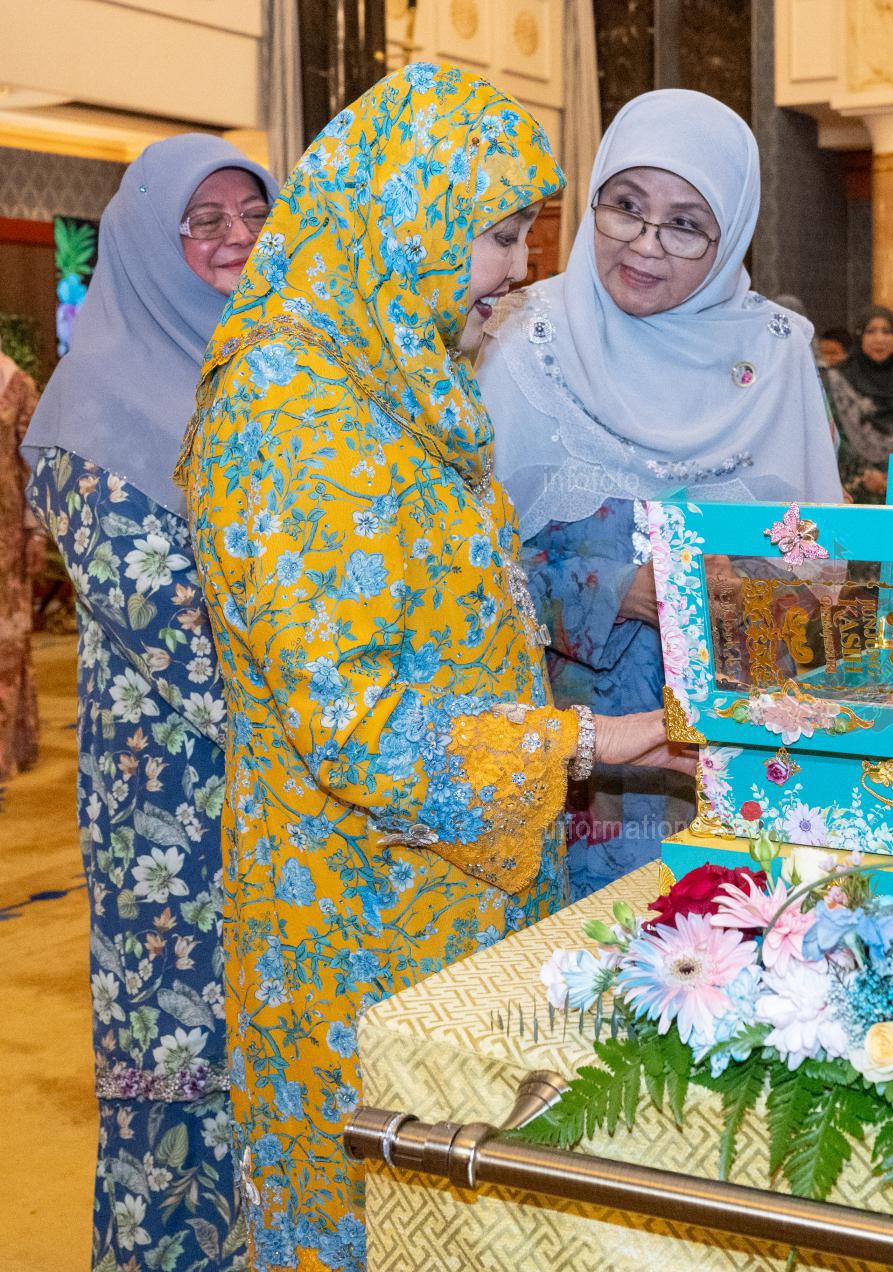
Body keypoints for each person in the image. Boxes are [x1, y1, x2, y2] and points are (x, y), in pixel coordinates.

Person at [177, 65, 690, 1271]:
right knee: (375, 1217)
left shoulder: (393, 374)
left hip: (461, 893)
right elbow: (356, 727)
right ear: (406, 214)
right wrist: (605, 740)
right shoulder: (285, 411)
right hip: (353, 915)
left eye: (525, 234)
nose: (518, 266)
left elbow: (458, 607)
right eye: (499, 233)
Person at [478, 88, 843, 891]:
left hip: (731, 757)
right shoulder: (516, 337)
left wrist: (740, 589)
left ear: (732, 232)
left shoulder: (776, 354)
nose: (645, 244)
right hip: (568, 757)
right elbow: (463, 572)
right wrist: (614, 591)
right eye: (626, 207)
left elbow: (825, 570)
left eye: (685, 224)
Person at [18, 134, 273, 1269]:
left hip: (286, 789)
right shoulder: (95, 406)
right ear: (140, 241)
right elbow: (174, 632)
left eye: (252, 216)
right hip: (172, 809)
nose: (234, 240)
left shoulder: (271, 373)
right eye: (201, 221)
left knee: (277, 1076)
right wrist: (348, 712)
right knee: (179, 1080)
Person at [821, 305, 893, 502]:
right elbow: (829, 435)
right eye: (871, 331)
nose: (879, 339)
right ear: (859, 336)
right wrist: (864, 474)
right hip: (851, 492)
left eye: (887, 331)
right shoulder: (835, 383)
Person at [0, 348, 38, 781]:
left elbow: (36, 467)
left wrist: (36, 530)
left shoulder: (16, 383)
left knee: (7, 640)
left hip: (6, 539)